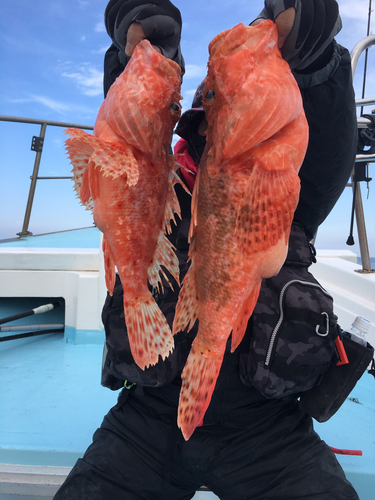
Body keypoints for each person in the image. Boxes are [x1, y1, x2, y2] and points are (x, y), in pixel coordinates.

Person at [54, 1, 359, 499]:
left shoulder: (283, 173)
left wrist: (317, 64)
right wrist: (134, 44)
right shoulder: (152, 185)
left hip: (268, 431)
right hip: (146, 419)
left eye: (213, 111)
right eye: (197, 116)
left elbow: (326, 146)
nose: (207, 125)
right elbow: (126, 132)